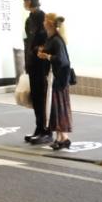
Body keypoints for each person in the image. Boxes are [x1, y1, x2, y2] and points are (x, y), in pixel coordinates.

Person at [36, 12, 73, 151]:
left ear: (50, 23)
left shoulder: (56, 40)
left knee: (58, 108)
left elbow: (62, 60)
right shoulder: (52, 38)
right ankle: (61, 138)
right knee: (54, 108)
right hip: (55, 79)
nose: (43, 22)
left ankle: (64, 137)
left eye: (45, 20)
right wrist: (43, 53)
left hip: (58, 80)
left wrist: (47, 56)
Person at [20, 0, 50, 144]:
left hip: (40, 64)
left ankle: (46, 131)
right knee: (36, 98)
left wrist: (38, 49)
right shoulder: (29, 19)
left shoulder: (41, 17)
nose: (24, 3)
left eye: (24, 0)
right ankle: (39, 128)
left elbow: (44, 41)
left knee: (42, 98)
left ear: (29, 1)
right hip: (32, 63)